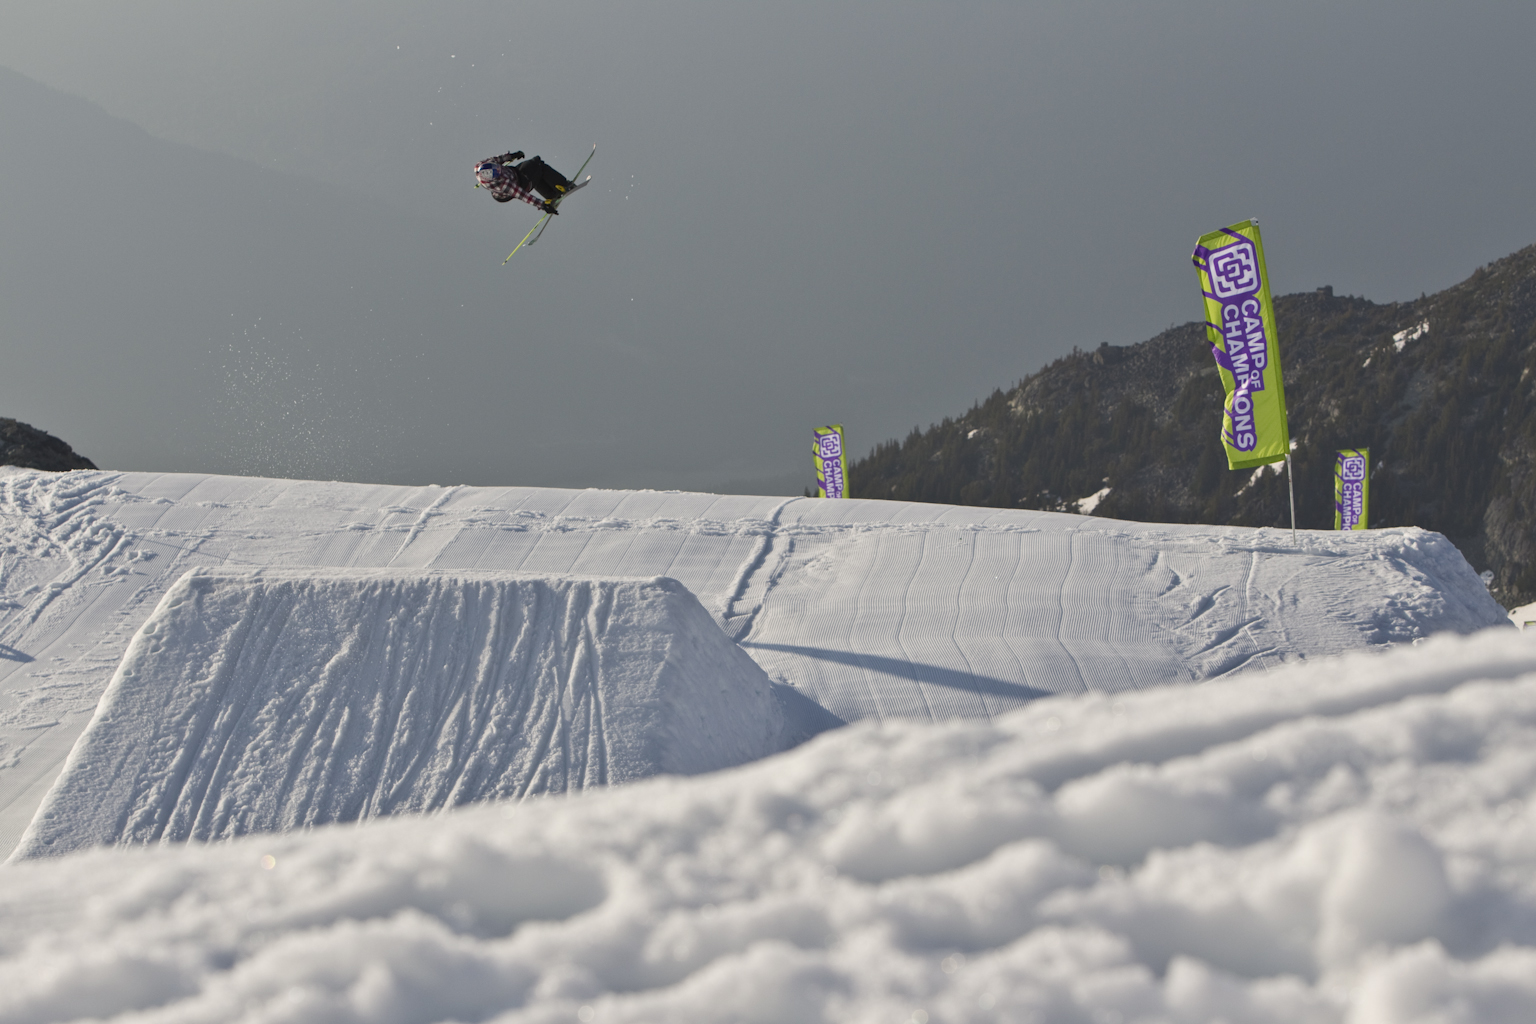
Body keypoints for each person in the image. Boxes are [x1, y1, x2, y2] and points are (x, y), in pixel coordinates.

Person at [473, 151, 576, 214]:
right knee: (538, 164)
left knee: (533, 170)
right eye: (497, 172)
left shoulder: (481, 165)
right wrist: (542, 205)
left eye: (498, 168)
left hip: (515, 172)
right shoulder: (502, 184)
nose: (499, 170)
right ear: (493, 178)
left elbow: (497, 159)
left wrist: (512, 156)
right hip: (518, 183)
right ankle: (563, 186)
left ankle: (552, 194)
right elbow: (522, 195)